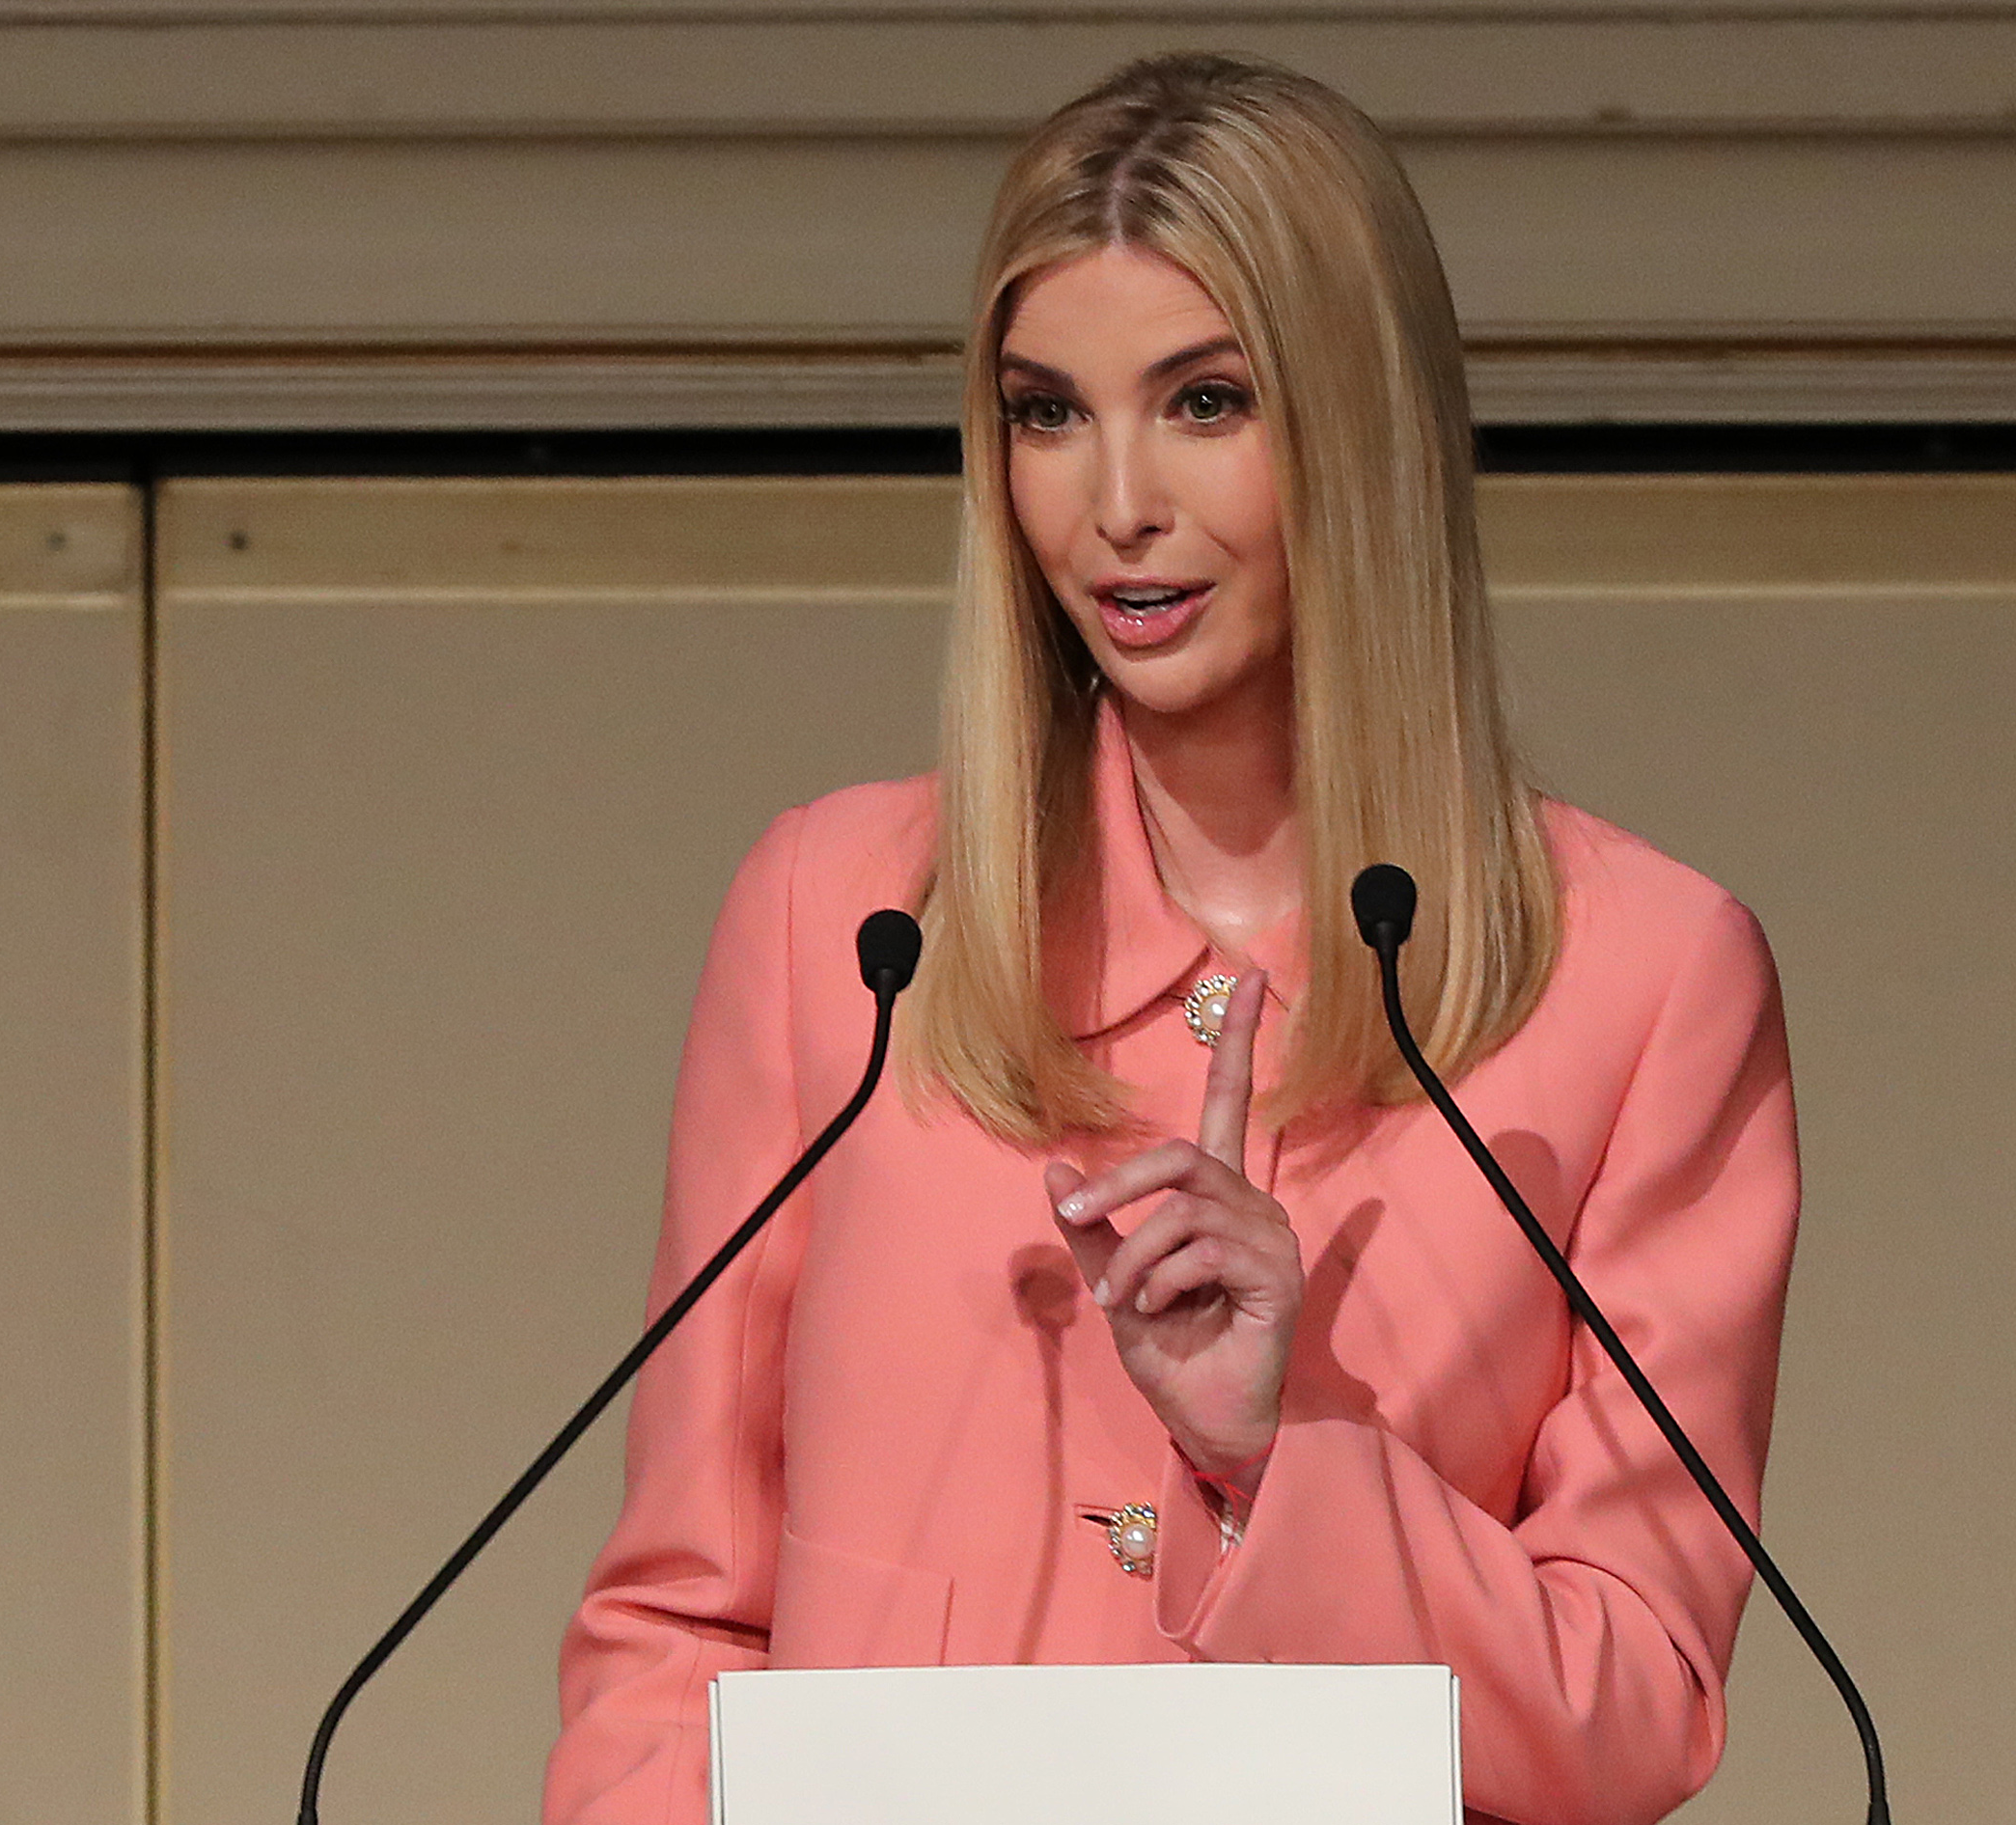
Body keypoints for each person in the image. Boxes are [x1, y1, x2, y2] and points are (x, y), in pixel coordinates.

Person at [546, 52, 1797, 1825]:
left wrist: (1271, 1457)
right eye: (1048, 412)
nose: (1113, 500)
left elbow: (1637, 1704)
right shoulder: (843, 917)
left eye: (1204, 403)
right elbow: (677, 1628)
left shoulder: (1649, 979)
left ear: (1355, 426)